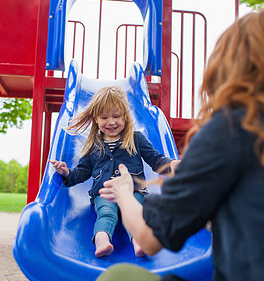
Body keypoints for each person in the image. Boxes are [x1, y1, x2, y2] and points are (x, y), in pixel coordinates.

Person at [98, 10, 264, 281]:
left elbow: (151, 236)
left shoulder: (234, 128)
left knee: (120, 277)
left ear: (231, 68)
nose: (111, 122)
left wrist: (125, 191)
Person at [50, 85, 180, 258]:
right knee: (106, 213)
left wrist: (172, 165)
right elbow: (82, 172)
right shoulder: (93, 146)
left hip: (134, 190)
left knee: (135, 213)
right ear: (96, 119)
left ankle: (139, 243)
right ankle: (102, 242)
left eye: (116, 116)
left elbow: (156, 160)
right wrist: (66, 173)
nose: (111, 122)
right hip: (105, 193)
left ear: (125, 117)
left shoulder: (136, 139)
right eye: (104, 117)